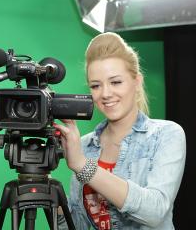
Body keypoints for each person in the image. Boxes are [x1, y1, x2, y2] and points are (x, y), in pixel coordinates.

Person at [54, 32, 186, 230]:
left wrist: (84, 167)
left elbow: (156, 212)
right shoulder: (84, 145)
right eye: (96, 85)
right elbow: (79, 225)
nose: (106, 94)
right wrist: (49, 192)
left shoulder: (166, 135)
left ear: (137, 81)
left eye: (116, 82)